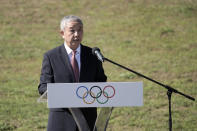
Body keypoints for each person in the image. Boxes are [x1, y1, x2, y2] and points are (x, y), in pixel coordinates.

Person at [38, 15, 107, 131]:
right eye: (72, 30)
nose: (77, 34)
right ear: (62, 33)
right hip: (61, 119)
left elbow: (101, 81)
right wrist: (62, 94)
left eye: (80, 30)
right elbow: (43, 87)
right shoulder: (51, 56)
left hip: (88, 119)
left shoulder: (92, 55)